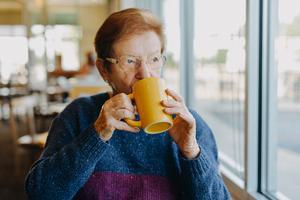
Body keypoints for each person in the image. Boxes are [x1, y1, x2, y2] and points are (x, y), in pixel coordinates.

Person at [25, 8, 231, 200]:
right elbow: (41, 193)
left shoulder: (188, 126)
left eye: (154, 59)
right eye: (130, 61)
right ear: (104, 70)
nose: (145, 74)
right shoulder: (79, 114)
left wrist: (191, 151)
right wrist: (98, 134)